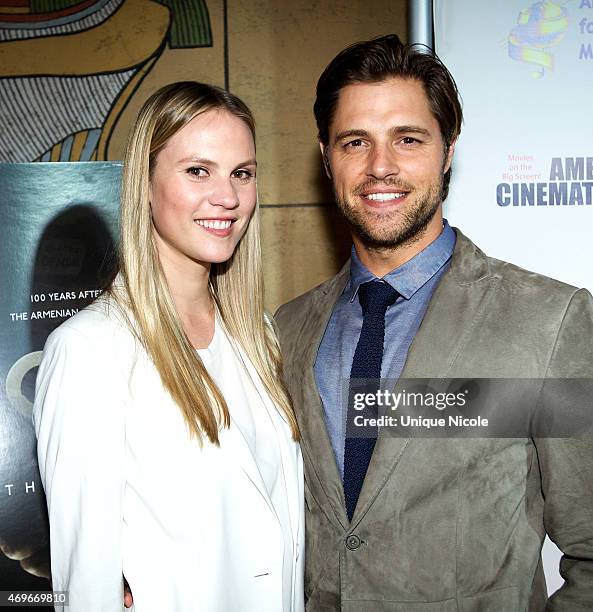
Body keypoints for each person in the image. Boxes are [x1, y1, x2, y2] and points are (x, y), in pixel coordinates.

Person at [275, 35, 593, 611]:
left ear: (448, 151)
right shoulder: (286, 331)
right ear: (326, 156)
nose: (380, 167)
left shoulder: (548, 322)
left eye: (408, 139)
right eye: (355, 142)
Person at [34, 81, 304, 612]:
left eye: (242, 173)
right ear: (147, 184)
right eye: (198, 170)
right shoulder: (90, 352)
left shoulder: (259, 338)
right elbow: (87, 587)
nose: (227, 196)